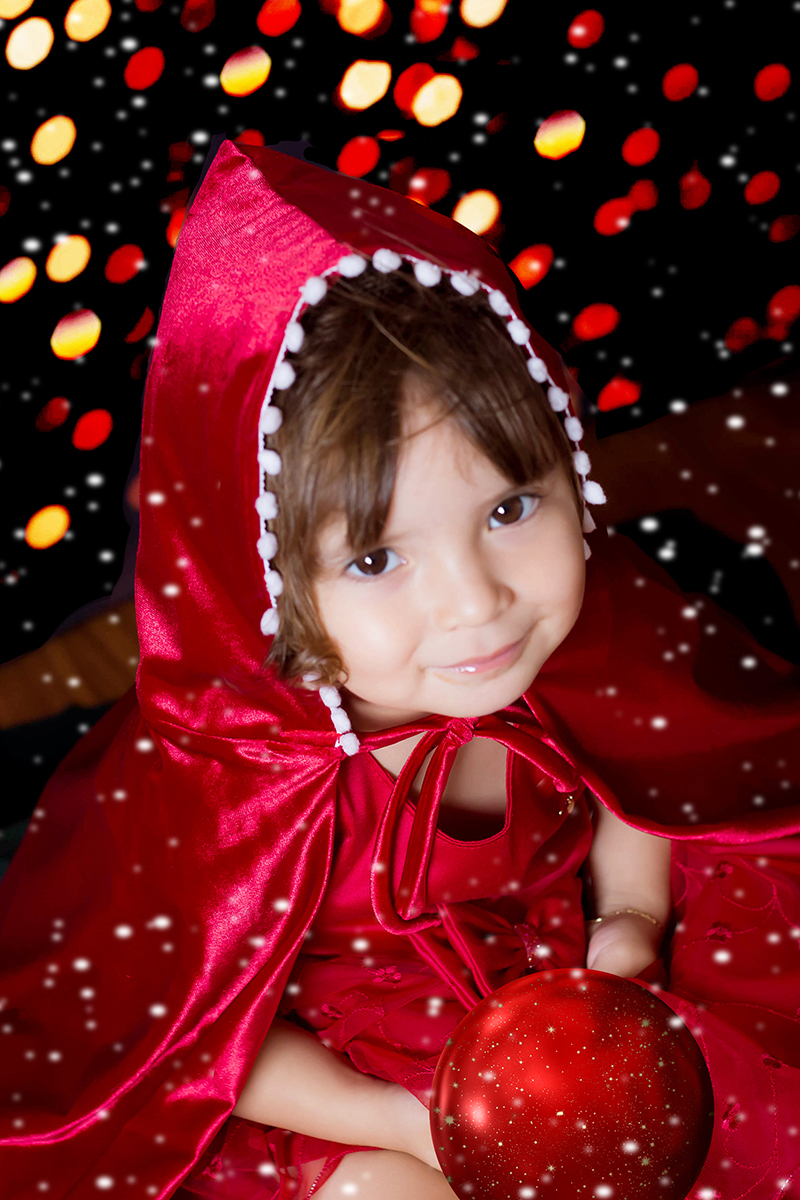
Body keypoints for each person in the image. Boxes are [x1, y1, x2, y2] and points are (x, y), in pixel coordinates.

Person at [0, 141, 799, 1200]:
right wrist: (399, 1123)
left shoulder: (591, 635)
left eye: (509, 510)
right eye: (376, 558)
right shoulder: (225, 785)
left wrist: (632, 923)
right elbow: (191, 1043)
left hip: (567, 1003)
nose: (475, 602)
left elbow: (654, 774)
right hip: (347, 1076)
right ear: (264, 582)